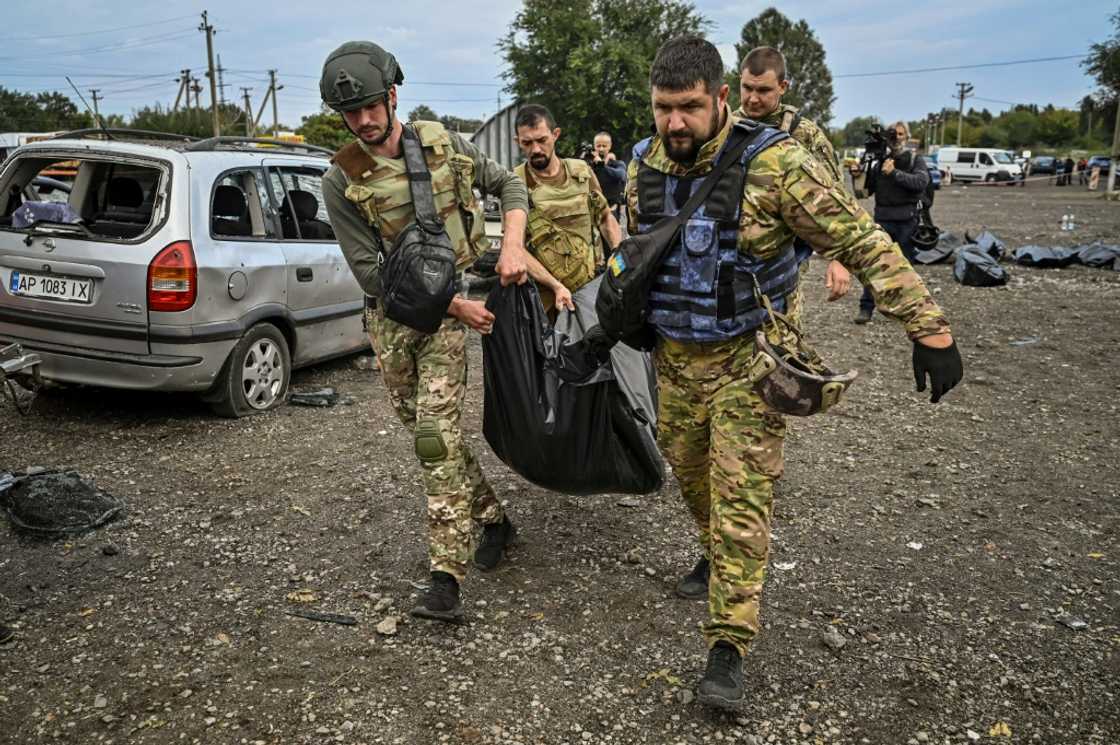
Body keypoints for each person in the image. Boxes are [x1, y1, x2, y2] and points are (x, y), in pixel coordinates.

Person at [624, 35, 962, 709]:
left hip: (752, 362)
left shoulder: (775, 166)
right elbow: (637, 246)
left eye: (689, 107)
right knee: (695, 485)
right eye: (664, 109)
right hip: (675, 364)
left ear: (721, 98)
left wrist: (930, 328)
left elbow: (858, 239)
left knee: (743, 499)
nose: (675, 124)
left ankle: (727, 646)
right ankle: (716, 556)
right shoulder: (644, 165)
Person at [319, 41, 530, 624]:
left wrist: (510, 244)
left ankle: (445, 578)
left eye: (369, 107)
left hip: (447, 324)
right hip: (392, 326)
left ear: (391, 97)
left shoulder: (443, 143)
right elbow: (371, 273)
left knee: (435, 439)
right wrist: (454, 304)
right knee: (428, 438)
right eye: (350, 113)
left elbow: (511, 187)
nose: (362, 121)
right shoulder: (341, 179)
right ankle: (493, 519)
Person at [734, 46, 852, 323]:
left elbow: (837, 202)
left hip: (785, 261)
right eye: (747, 88)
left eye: (763, 90)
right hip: (732, 259)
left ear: (783, 86)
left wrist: (839, 259)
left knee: (782, 339)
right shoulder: (726, 127)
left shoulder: (804, 135)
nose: (752, 98)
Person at [513, 105, 623, 312]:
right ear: (518, 142)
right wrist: (556, 286)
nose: (535, 149)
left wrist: (617, 252)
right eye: (527, 142)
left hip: (590, 290)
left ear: (555, 135)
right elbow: (515, 248)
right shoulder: (515, 183)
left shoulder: (581, 172)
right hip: (544, 301)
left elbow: (605, 217)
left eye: (542, 140)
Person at [855, 120, 929, 324]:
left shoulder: (915, 159)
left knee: (905, 268)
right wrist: (858, 175)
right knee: (875, 265)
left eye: (900, 134)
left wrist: (894, 173)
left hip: (907, 221)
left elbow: (921, 183)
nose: (896, 138)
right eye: (893, 134)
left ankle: (909, 311)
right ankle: (866, 308)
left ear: (907, 137)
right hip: (883, 219)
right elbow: (865, 191)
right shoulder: (880, 161)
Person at [589, 131, 628, 227]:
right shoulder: (590, 165)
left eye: (604, 146)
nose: (601, 149)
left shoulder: (617, 164)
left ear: (609, 146)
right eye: (598, 146)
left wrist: (602, 165)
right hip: (593, 210)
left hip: (611, 210)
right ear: (594, 146)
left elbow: (621, 175)